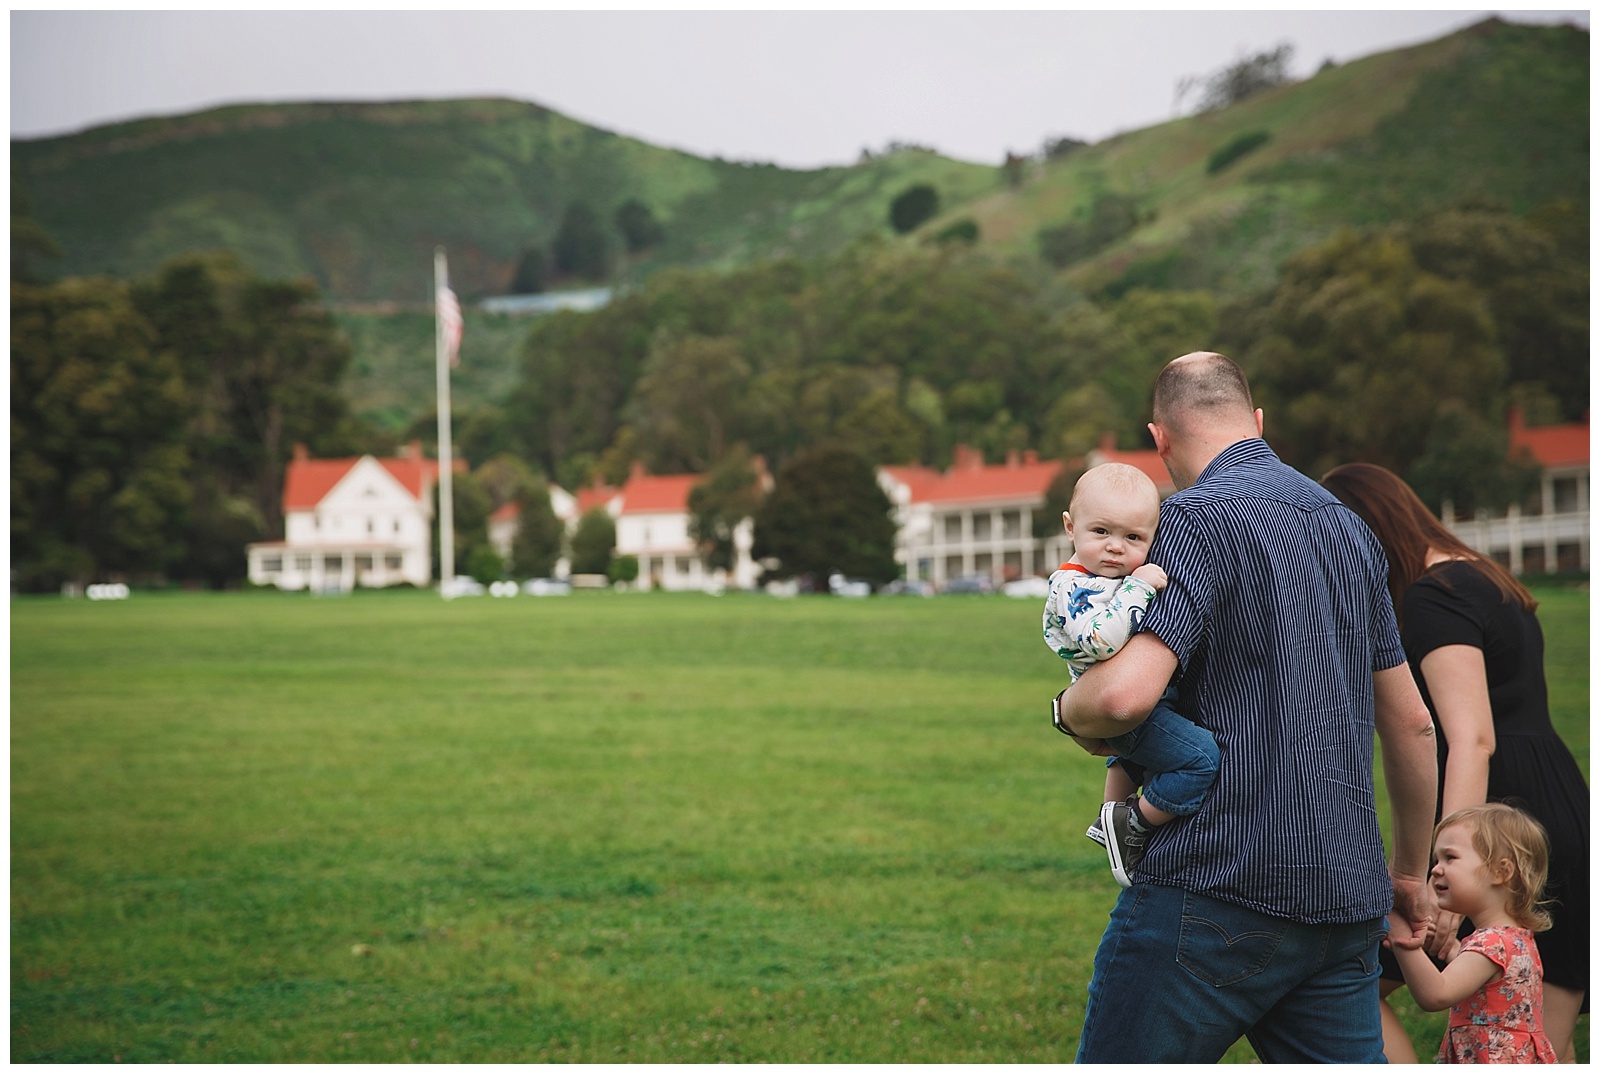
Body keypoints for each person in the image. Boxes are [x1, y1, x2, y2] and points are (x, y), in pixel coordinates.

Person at [1055, 352, 1440, 1063]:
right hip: (1345, 899)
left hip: (1218, 885)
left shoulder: (1193, 522)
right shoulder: (1349, 529)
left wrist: (1062, 710)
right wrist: (1409, 876)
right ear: (1257, 422)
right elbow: (1415, 722)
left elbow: (1122, 696)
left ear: (1160, 438)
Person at [1321, 462, 1589, 1063]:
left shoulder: (1431, 598)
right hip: (1556, 810)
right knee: (1541, 1040)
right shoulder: (1487, 578)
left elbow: (1471, 738)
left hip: (1499, 819)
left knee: (1347, 988)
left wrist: (1442, 875)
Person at [1042, 462, 1219, 887]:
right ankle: (1133, 823)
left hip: (1149, 703)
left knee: (1131, 762)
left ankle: (1108, 823)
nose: (1115, 548)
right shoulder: (1073, 587)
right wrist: (1139, 587)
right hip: (1131, 709)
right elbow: (1101, 640)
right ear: (1071, 527)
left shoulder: (1111, 577)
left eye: (1133, 538)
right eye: (1101, 532)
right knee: (1201, 761)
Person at [1388, 803, 1559, 1064]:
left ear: (1501, 872)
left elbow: (1435, 995)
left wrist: (1403, 942)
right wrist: (1455, 951)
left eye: (1450, 857)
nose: (1435, 869)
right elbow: (1491, 990)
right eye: (1436, 859)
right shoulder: (1515, 939)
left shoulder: (1490, 944)